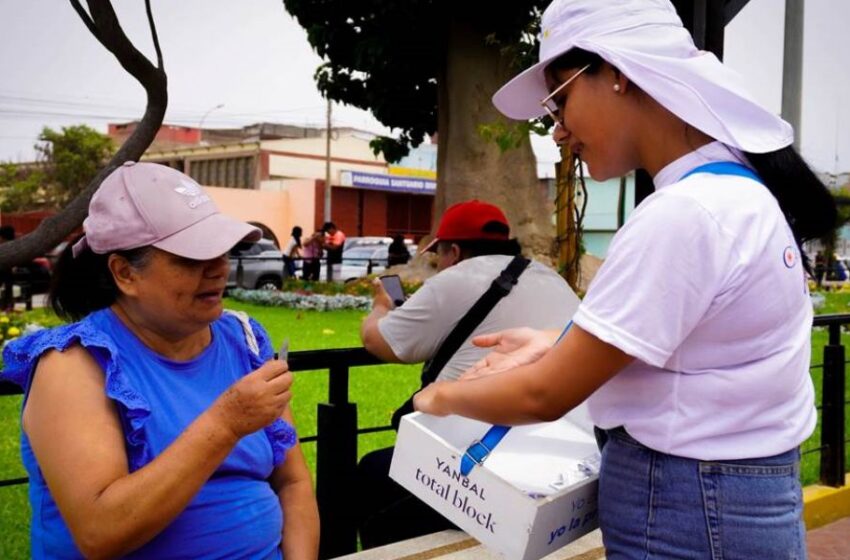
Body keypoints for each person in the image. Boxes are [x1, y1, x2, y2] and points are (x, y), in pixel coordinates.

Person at [413, 1, 837, 558]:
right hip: (735, 497)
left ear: (617, 73)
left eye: (559, 100)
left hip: (689, 505)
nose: (559, 132)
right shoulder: (739, 193)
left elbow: (545, 395)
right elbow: (693, 347)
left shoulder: (686, 212)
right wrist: (554, 344)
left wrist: (439, 397)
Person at [0, 162, 319, 559]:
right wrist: (226, 423)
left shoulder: (244, 341)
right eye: (191, 257)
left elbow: (293, 484)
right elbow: (101, 531)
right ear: (124, 273)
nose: (219, 269)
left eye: (221, 250)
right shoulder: (73, 364)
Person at [358, 199, 585, 548]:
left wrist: (379, 307)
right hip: (557, 456)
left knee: (371, 474)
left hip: (477, 457)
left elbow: (380, 341)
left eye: (439, 257)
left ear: (455, 251)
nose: (439, 265)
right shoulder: (549, 277)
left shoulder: (456, 279)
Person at [0, 225, 15, 310]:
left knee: (8, 289)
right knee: (8, 289)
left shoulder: (5, 247)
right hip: (7, 272)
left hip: (5, 272)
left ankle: (7, 306)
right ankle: (8, 305)